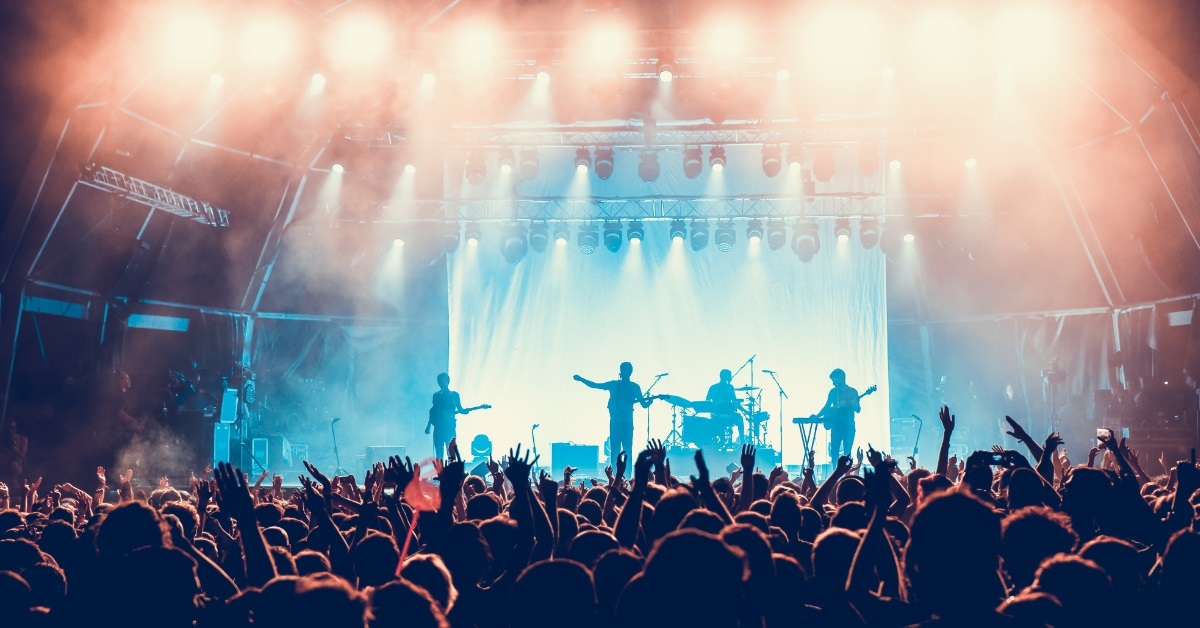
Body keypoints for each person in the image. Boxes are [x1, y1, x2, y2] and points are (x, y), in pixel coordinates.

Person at [574, 362, 652, 465]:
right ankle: (617, 476)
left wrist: (650, 401)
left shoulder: (634, 387)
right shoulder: (616, 384)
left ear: (631, 372)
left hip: (626, 422)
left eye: (627, 370)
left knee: (626, 450)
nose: (626, 372)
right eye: (624, 370)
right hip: (617, 422)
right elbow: (595, 385)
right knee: (617, 450)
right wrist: (581, 379)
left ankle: (626, 477)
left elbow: (643, 404)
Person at [814, 368, 861, 459]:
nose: (833, 383)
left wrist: (854, 405)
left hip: (848, 425)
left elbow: (858, 409)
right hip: (836, 426)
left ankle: (847, 472)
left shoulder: (852, 392)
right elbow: (827, 406)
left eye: (834, 380)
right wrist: (817, 416)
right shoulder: (833, 392)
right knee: (834, 451)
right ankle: (835, 471)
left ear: (840, 378)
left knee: (847, 452)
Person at [425, 373, 465, 459]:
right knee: (439, 453)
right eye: (440, 381)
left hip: (449, 426)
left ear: (448, 381)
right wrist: (428, 426)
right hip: (438, 427)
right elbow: (433, 411)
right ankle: (440, 471)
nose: (442, 382)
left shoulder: (454, 394)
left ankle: (452, 470)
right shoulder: (436, 395)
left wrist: (464, 411)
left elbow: (460, 408)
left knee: (451, 452)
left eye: (444, 380)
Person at [706, 369, 742, 446]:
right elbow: (735, 401)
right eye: (730, 376)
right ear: (728, 377)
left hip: (716, 416)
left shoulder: (713, 387)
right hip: (729, 416)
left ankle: (721, 440)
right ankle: (742, 442)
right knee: (740, 418)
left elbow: (707, 401)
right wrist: (746, 411)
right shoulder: (730, 387)